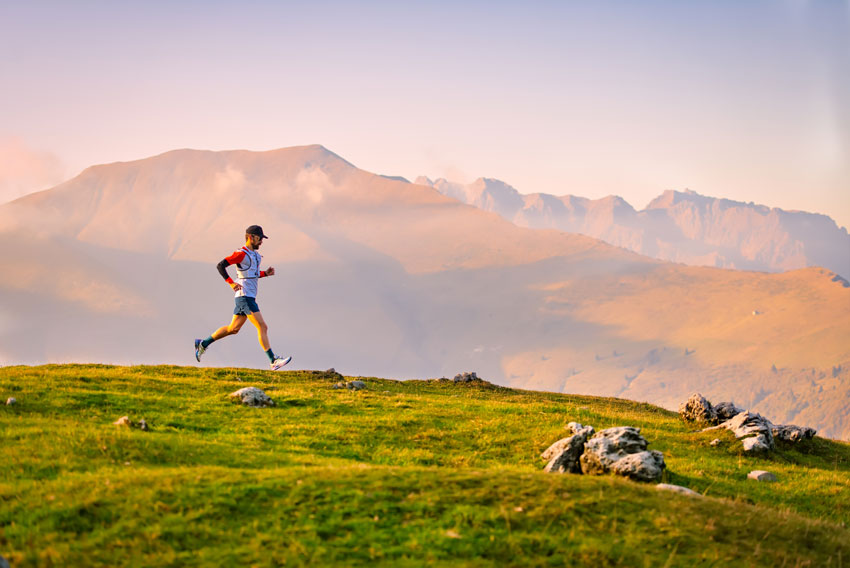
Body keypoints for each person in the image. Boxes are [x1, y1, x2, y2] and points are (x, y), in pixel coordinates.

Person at [194, 225, 292, 370]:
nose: (262, 242)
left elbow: (251, 273)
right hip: (244, 297)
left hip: (248, 297)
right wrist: (231, 283)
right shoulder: (241, 254)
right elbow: (221, 266)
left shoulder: (255, 256)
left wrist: (265, 273)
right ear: (251, 237)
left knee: (233, 328)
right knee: (262, 326)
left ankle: (203, 343)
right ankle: (273, 361)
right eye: (260, 238)